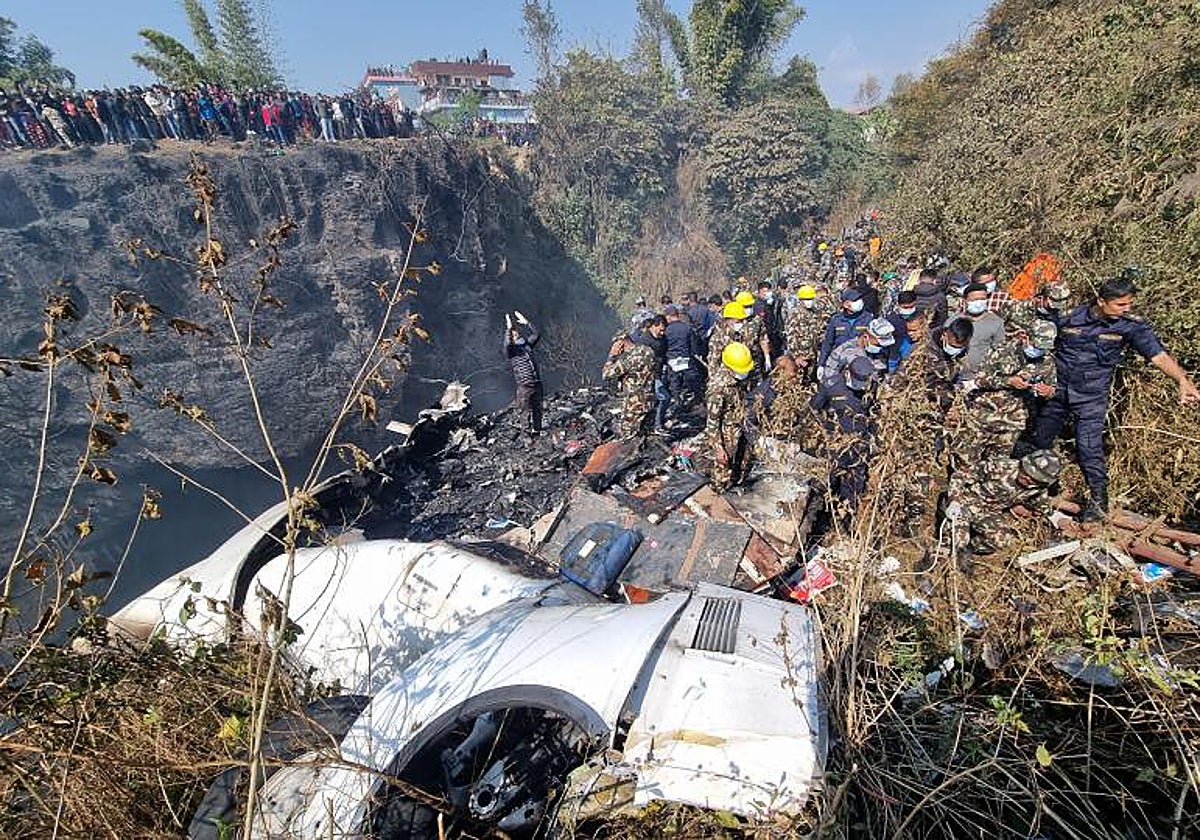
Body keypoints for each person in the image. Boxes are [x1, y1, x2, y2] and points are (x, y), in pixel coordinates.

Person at [1032, 276, 1200, 520]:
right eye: (1120, 305)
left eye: (1129, 304)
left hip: (1091, 398)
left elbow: (1158, 356)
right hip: (1056, 393)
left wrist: (1182, 380)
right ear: (1101, 301)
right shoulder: (1070, 316)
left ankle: (1099, 503)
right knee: (1041, 441)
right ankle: (1042, 489)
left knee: (1089, 449)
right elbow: (1041, 343)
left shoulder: (1131, 325)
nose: (1127, 309)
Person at [945, 449, 1061, 571]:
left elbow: (1040, 503)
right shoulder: (1001, 466)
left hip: (989, 512)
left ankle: (969, 549)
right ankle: (950, 553)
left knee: (1002, 540)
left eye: (1033, 479)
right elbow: (960, 476)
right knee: (958, 541)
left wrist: (1055, 517)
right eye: (1025, 472)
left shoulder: (1038, 488)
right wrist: (954, 500)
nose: (1026, 479)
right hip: (965, 502)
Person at [960, 320, 1058, 463]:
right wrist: (1008, 381)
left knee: (998, 464)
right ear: (1025, 337)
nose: (1039, 350)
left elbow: (1052, 388)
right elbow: (979, 380)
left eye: (1043, 348)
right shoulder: (1002, 351)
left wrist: (1048, 392)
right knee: (968, 459)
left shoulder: (1047, 361)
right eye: (1036, 346)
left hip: (1013, 421)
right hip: (985, 414)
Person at [811, 355, 877, 511]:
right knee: (824, 485)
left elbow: (874, 413)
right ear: (847, 372)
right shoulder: (831, 385)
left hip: (858, 447)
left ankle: (847, 522)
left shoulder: (871, 386)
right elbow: (813, 410)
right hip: (834, 445)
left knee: (854, 488)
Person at [705, 341, 756, 492]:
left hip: (738, 422)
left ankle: (736, 479)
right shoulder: (718, 389)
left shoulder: (735, 379)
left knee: (742, 455)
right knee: (723, 463)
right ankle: (718, 490)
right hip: (726, 430)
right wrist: (718, 448)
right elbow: (712, 423)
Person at [602, 321, 661, 440]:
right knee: (646, 438)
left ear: (621, 342)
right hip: (649, 401)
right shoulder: (648, 351)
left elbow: (606, 374)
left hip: (633, 405)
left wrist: (612, 356)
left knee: (629, 439)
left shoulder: (628, 359)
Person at [952, 282, 1005, 379]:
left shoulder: (996, 322)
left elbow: (1000, 351)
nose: (979, 303)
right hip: (954, 375)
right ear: (965, 301)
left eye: (982, 299)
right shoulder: (953, 320)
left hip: (979, 378)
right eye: (975, 300)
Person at [504, 310, 543, 436]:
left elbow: (537, 333)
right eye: (514, 336)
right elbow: (507, 345)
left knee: (537, 409)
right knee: (525, 413)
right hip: (524, 387)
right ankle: (526, 437)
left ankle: (537, 432)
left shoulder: (527, 346)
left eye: (517, 334)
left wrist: (527, 322)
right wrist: (508, 329)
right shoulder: (512, 351)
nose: (517, 336)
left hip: (536, 384)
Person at [818, 288, 873, 369]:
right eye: (854, 300)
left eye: (859, 299)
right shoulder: (836, 320)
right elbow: (827, 343)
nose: (859, 302)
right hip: (840, 362)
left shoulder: (868, 318)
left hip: (860, 362)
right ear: (845, 304)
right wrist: (821, 364)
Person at [663, 305, 700, 421]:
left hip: (672, 359)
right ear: (677, 315)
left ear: (668, 317)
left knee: (675, 384)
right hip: (686, 358)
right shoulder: (687, 327)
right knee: (693, 381)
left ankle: (678, 402)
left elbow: (664, 346)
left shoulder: (666, 330)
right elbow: (693, 345)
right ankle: (698, 401)